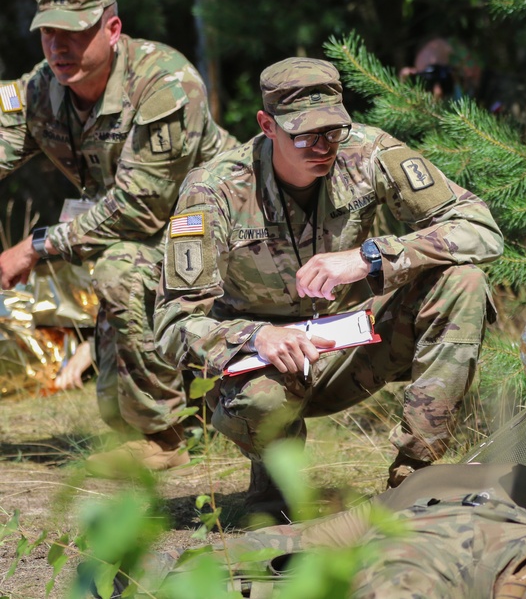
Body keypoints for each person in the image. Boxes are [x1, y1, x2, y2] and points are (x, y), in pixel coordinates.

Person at [153, 56, 503, 515]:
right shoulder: (214, 189)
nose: (322, 146)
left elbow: (480, 229)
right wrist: (256, 337)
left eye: (333, 130)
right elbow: (172, 320)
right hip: (262, 364)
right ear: (266, 125)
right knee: (267, 453)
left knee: (465, 281)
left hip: (353, 343)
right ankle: (276, 479)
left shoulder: (369, 153)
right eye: (303, 134)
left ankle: (415, 480)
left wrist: (370, 257)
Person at [0, 0, 237, 475]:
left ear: (111, 29)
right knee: (118, 260)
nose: (59, 48)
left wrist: (34, 246)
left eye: (74, 33)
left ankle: (166, 435)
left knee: (120, 268)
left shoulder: (164, 82)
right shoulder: (40, 88)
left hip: (223, 226)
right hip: (148, 228)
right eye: (48, 35)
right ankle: (173, 419)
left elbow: (140, 206)